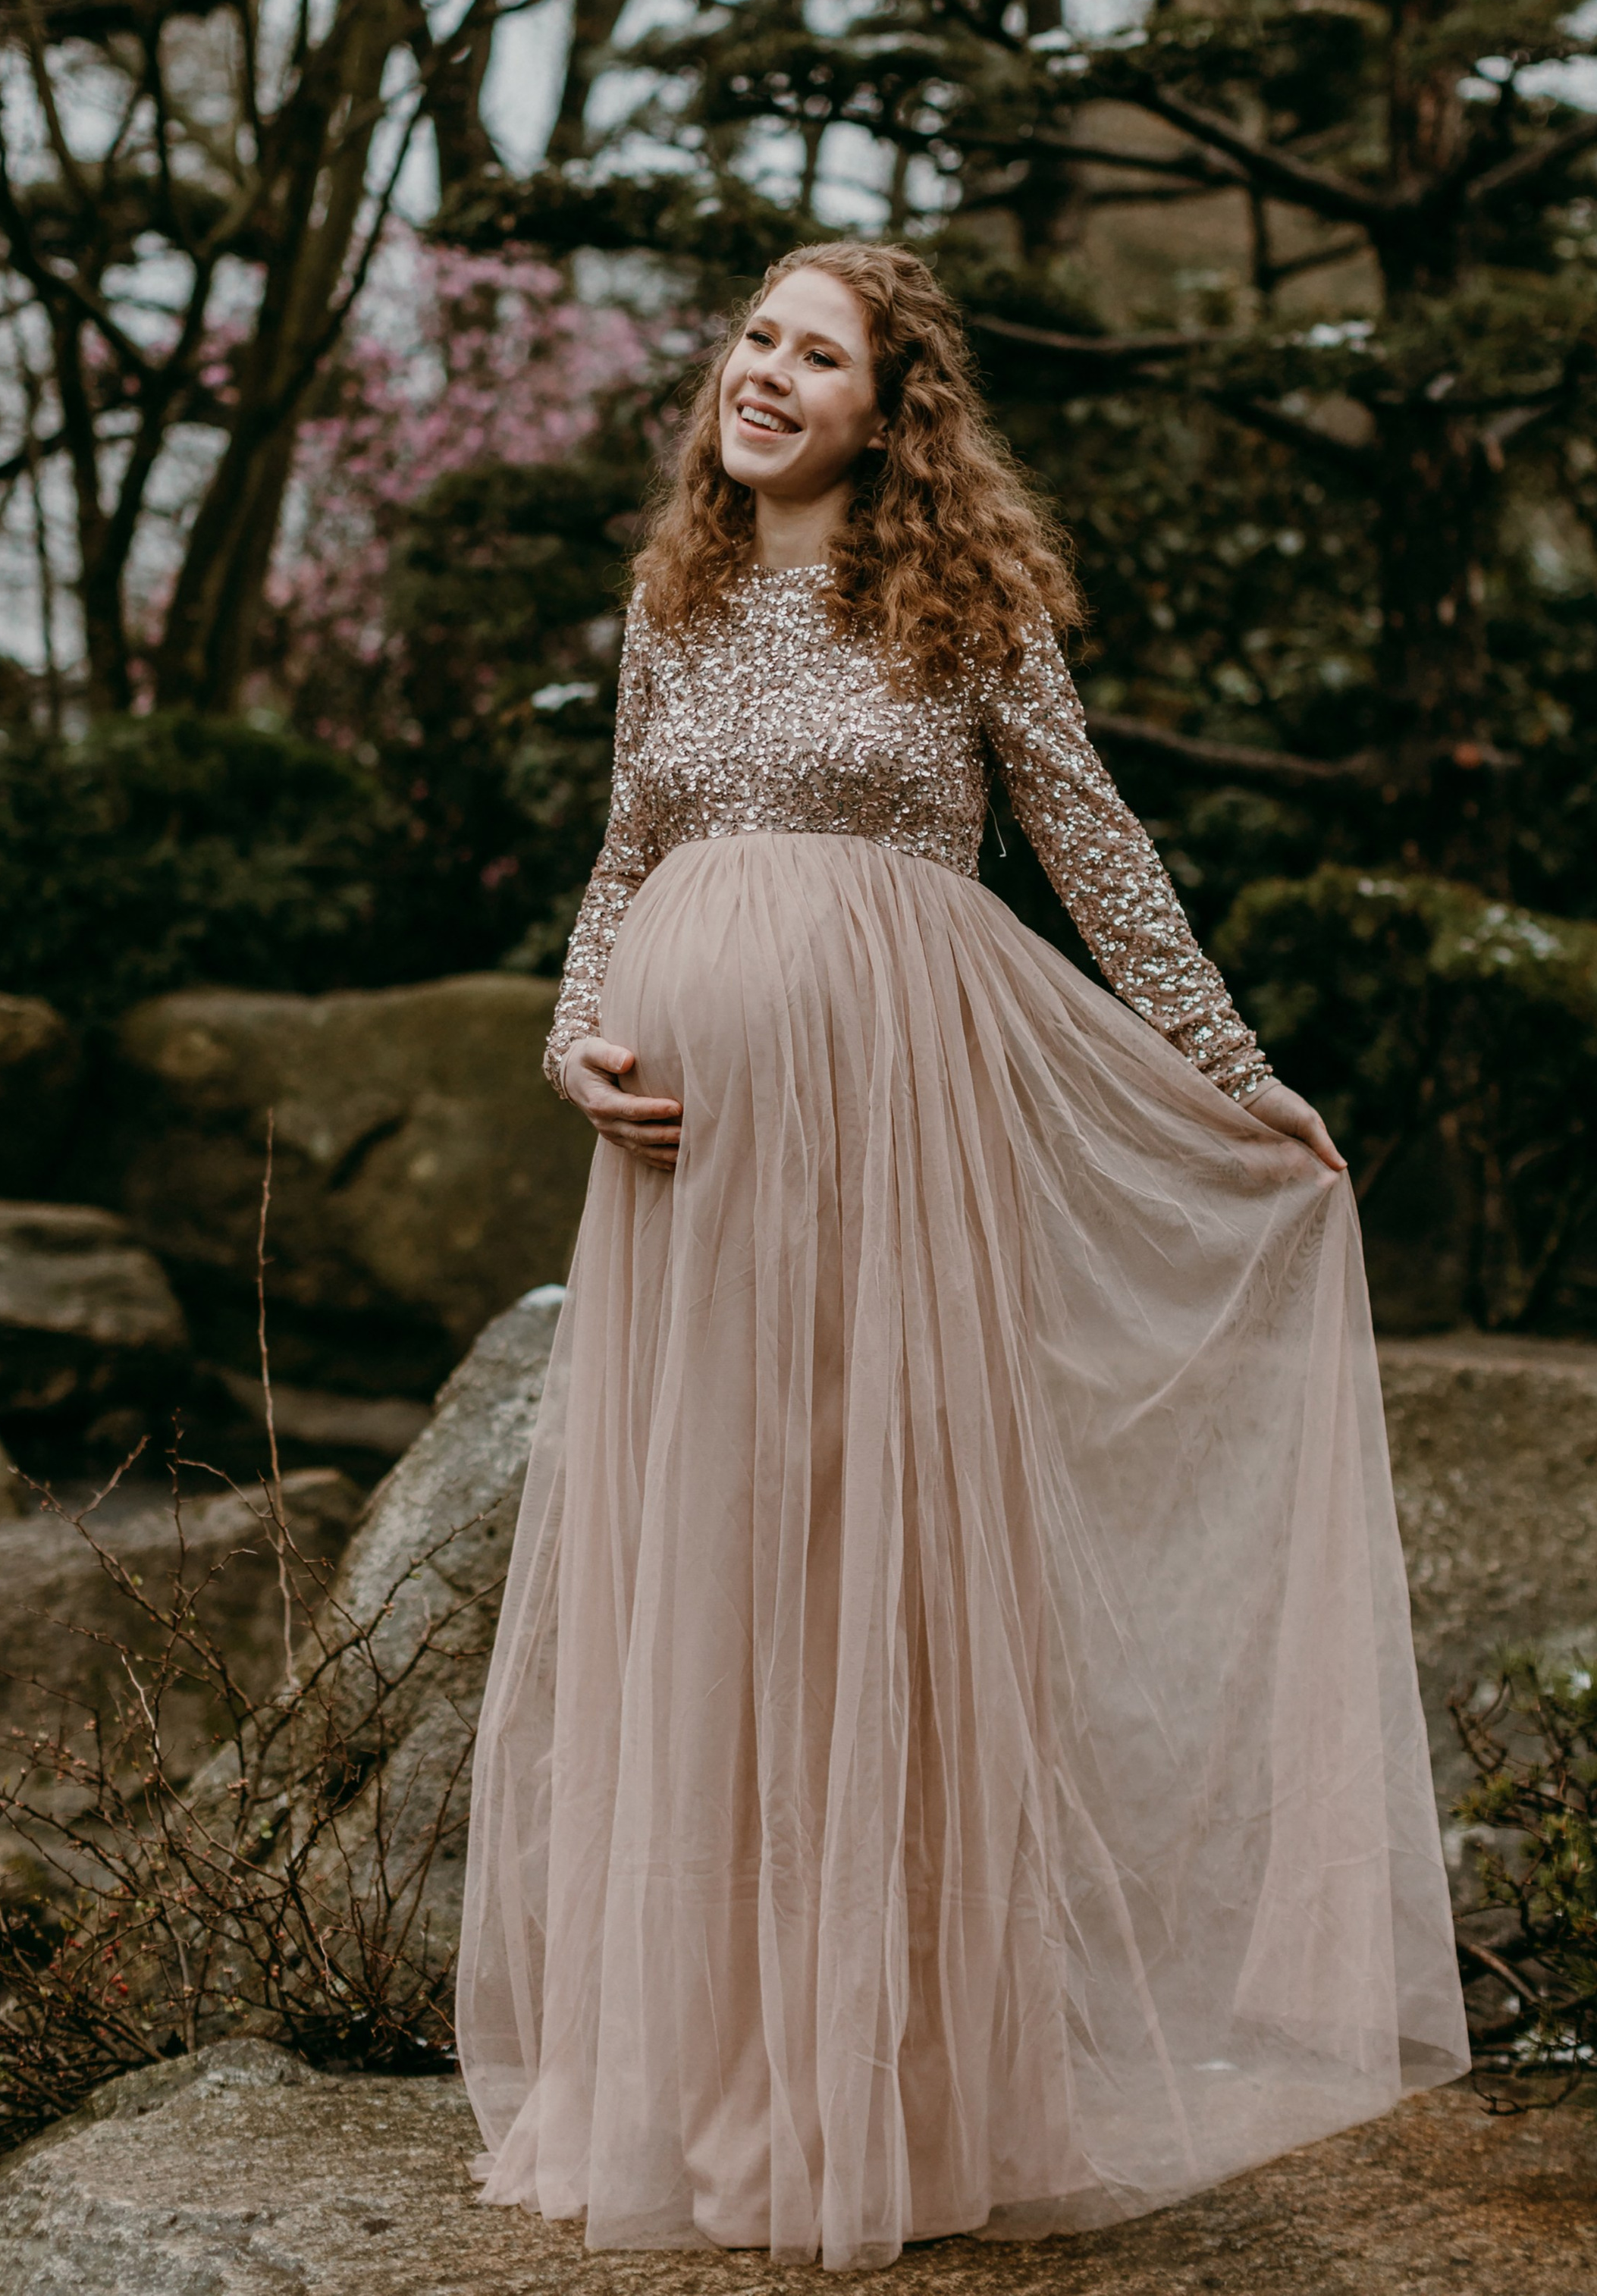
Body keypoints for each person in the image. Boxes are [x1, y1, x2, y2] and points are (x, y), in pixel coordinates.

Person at [458, 241, 1467, 2272]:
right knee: (708, 1579)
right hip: (679, 1184)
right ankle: (701, 2084)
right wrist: (572, 1028)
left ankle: (872, 2101)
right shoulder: (680, 599)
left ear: (885, 409)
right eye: (754, 336)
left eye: (813, 354)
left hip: (886, 1173)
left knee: (865, 1575)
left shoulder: (958, 605)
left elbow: (1095, 845)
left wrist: (1235, 1072)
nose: (763, 374)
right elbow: (631, 854)